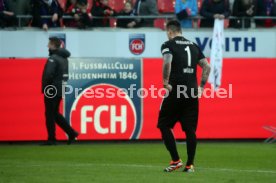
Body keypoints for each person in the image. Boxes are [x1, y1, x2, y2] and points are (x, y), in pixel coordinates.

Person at [158, 20, 210, 172]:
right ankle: (190, 165)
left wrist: (165, 82)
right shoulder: (193, 46)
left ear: (169, 31)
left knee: (164, 125)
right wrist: (201, 87)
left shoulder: (168, 45)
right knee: (190, 130)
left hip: (176, 90)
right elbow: (206, 66)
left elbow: (167, 61)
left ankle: (175, 160)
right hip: (192, 92)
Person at [42, 37, 79, 145]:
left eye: (49, 44)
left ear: (53, 45)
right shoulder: (64, 58)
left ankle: (52, 139)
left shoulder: (53, 58)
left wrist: (46, 87)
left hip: (51, 88)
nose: (47, 46)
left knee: (50, 114)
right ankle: (71, 133)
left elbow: (48, 75)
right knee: (54, 113)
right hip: (61, 88)